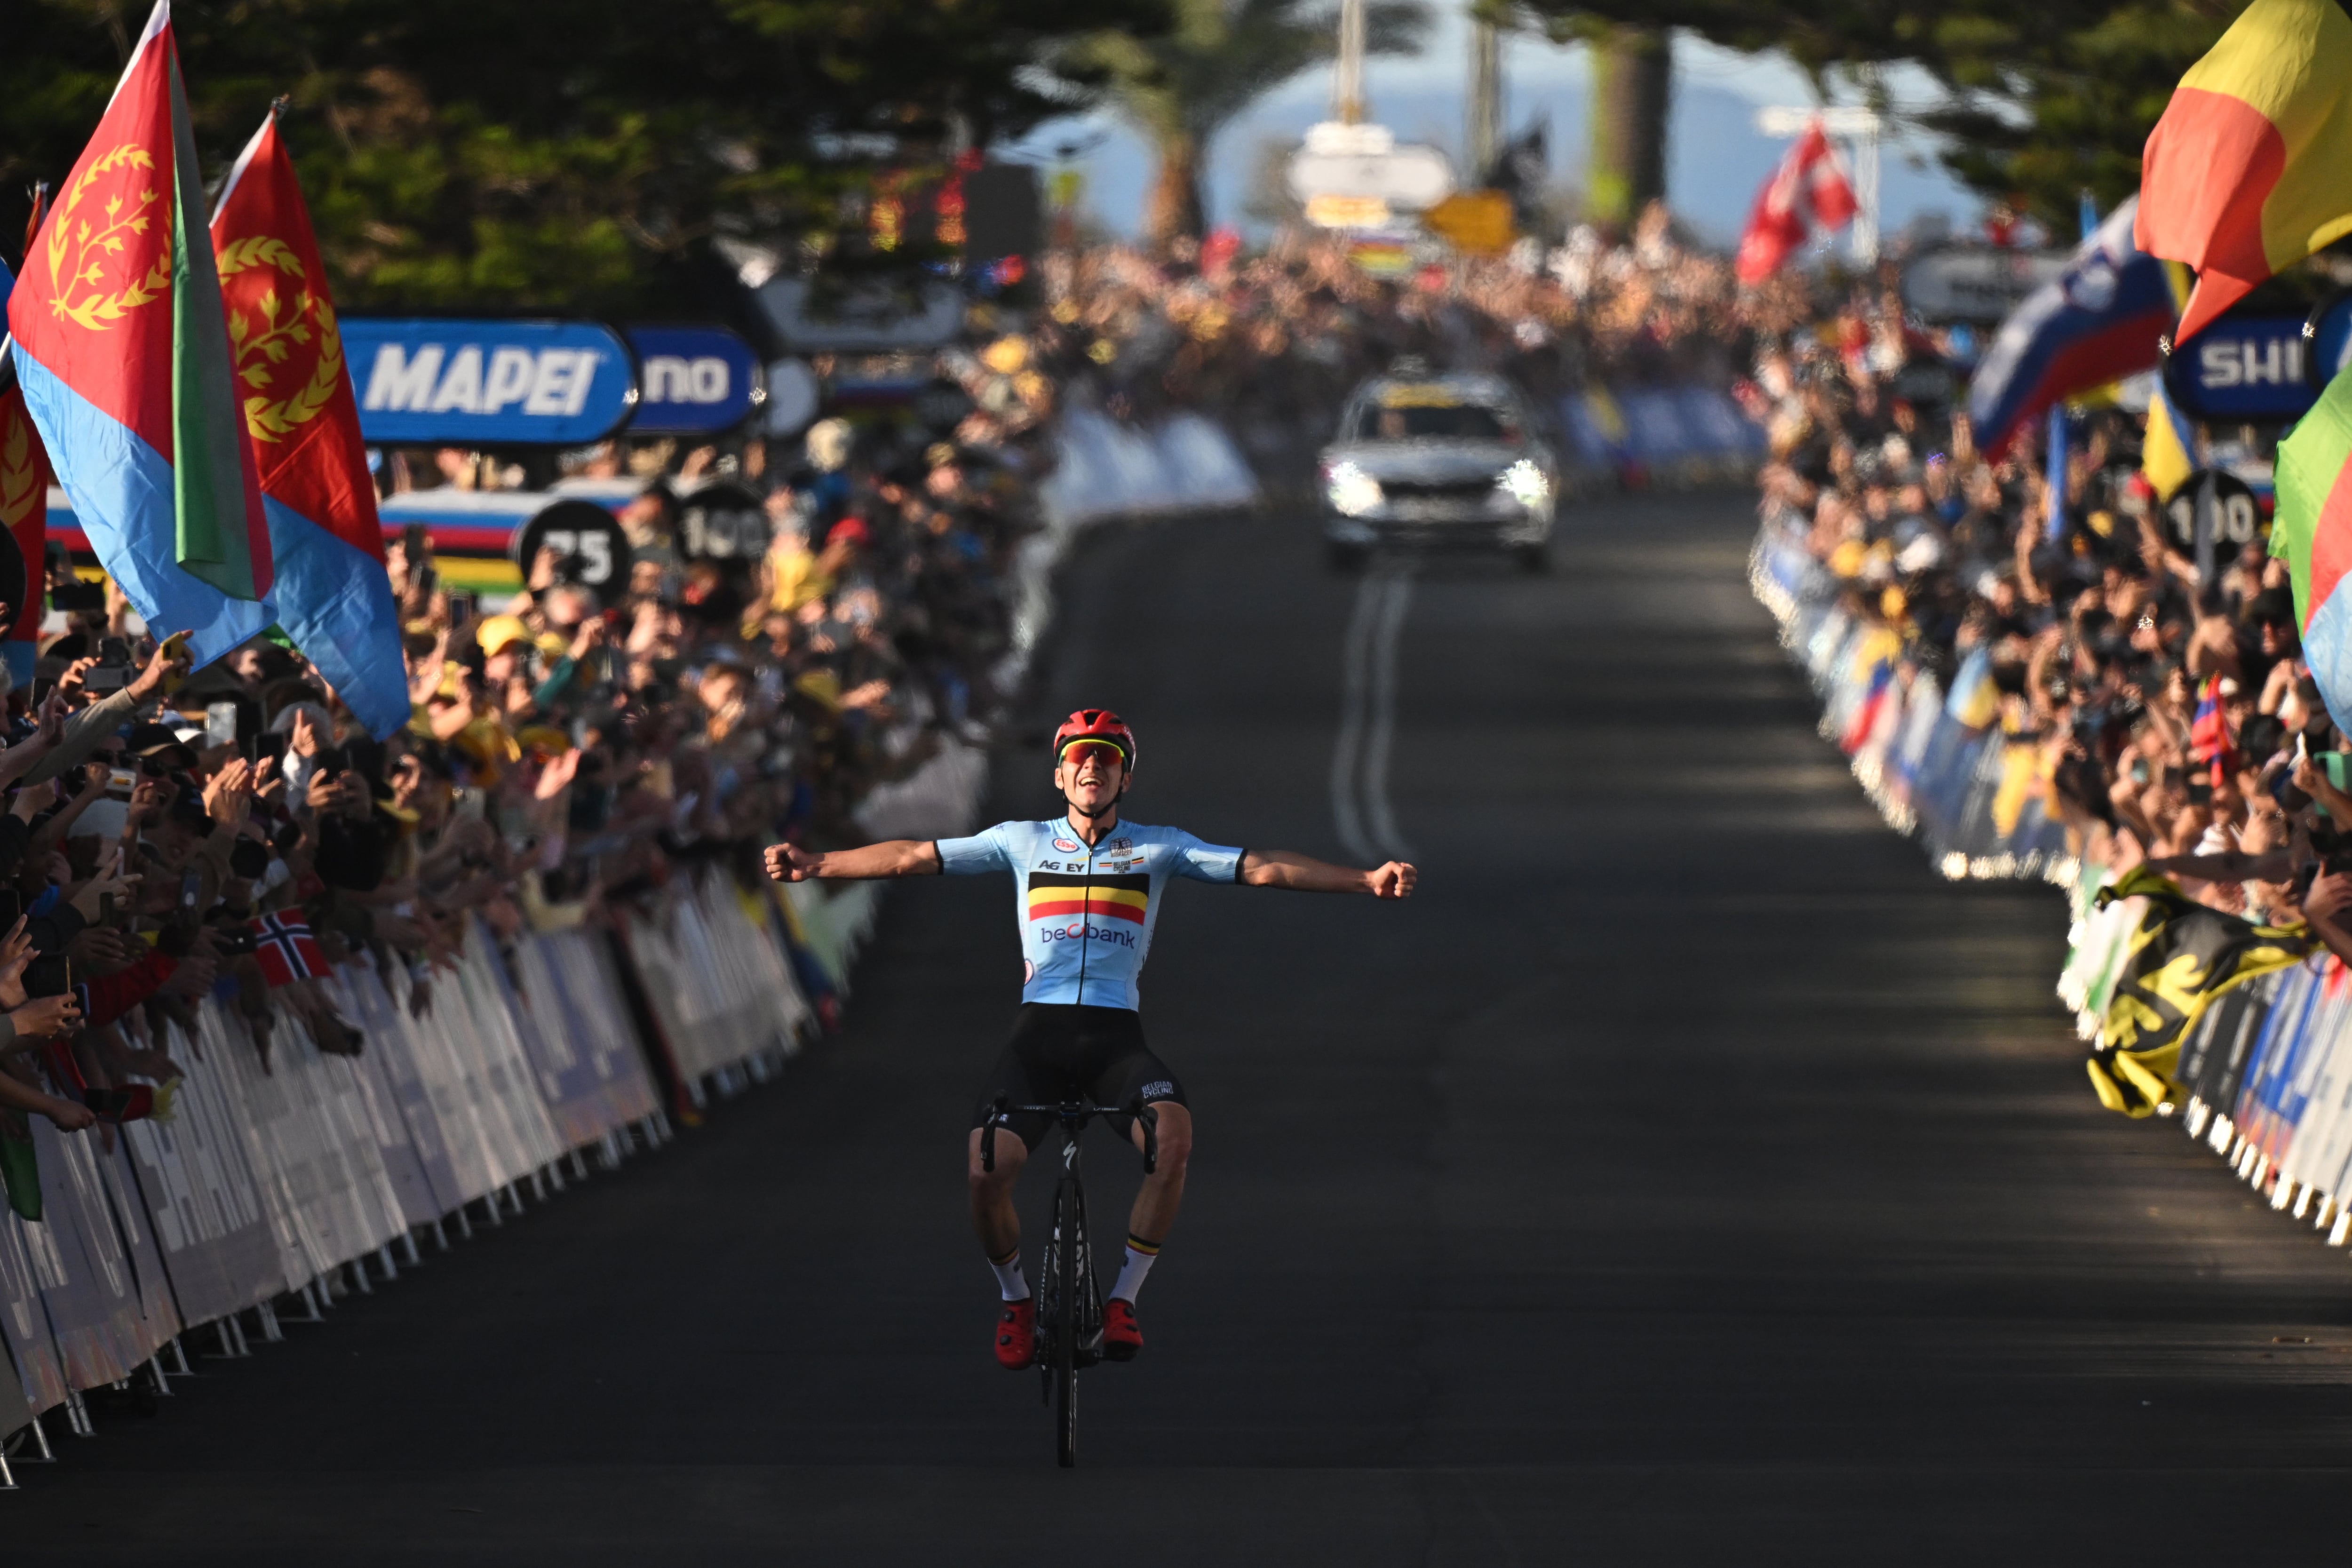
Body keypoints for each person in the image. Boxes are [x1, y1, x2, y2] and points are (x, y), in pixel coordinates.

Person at [764, 708, 1416, 1369]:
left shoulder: (1158, 846)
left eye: (1107, 759)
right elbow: (910, 857)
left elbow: (1264, 868)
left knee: (1174, 1142)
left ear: (1124, 779)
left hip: (1114, 1041)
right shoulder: (1020, 841)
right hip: (1038, 1040)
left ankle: (1122, 1300)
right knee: (985, 1172)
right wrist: (818, 862)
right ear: (1059, 775)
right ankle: (1016, 1300)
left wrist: (1364, 880)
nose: (1092, 767)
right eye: (1079, 757)